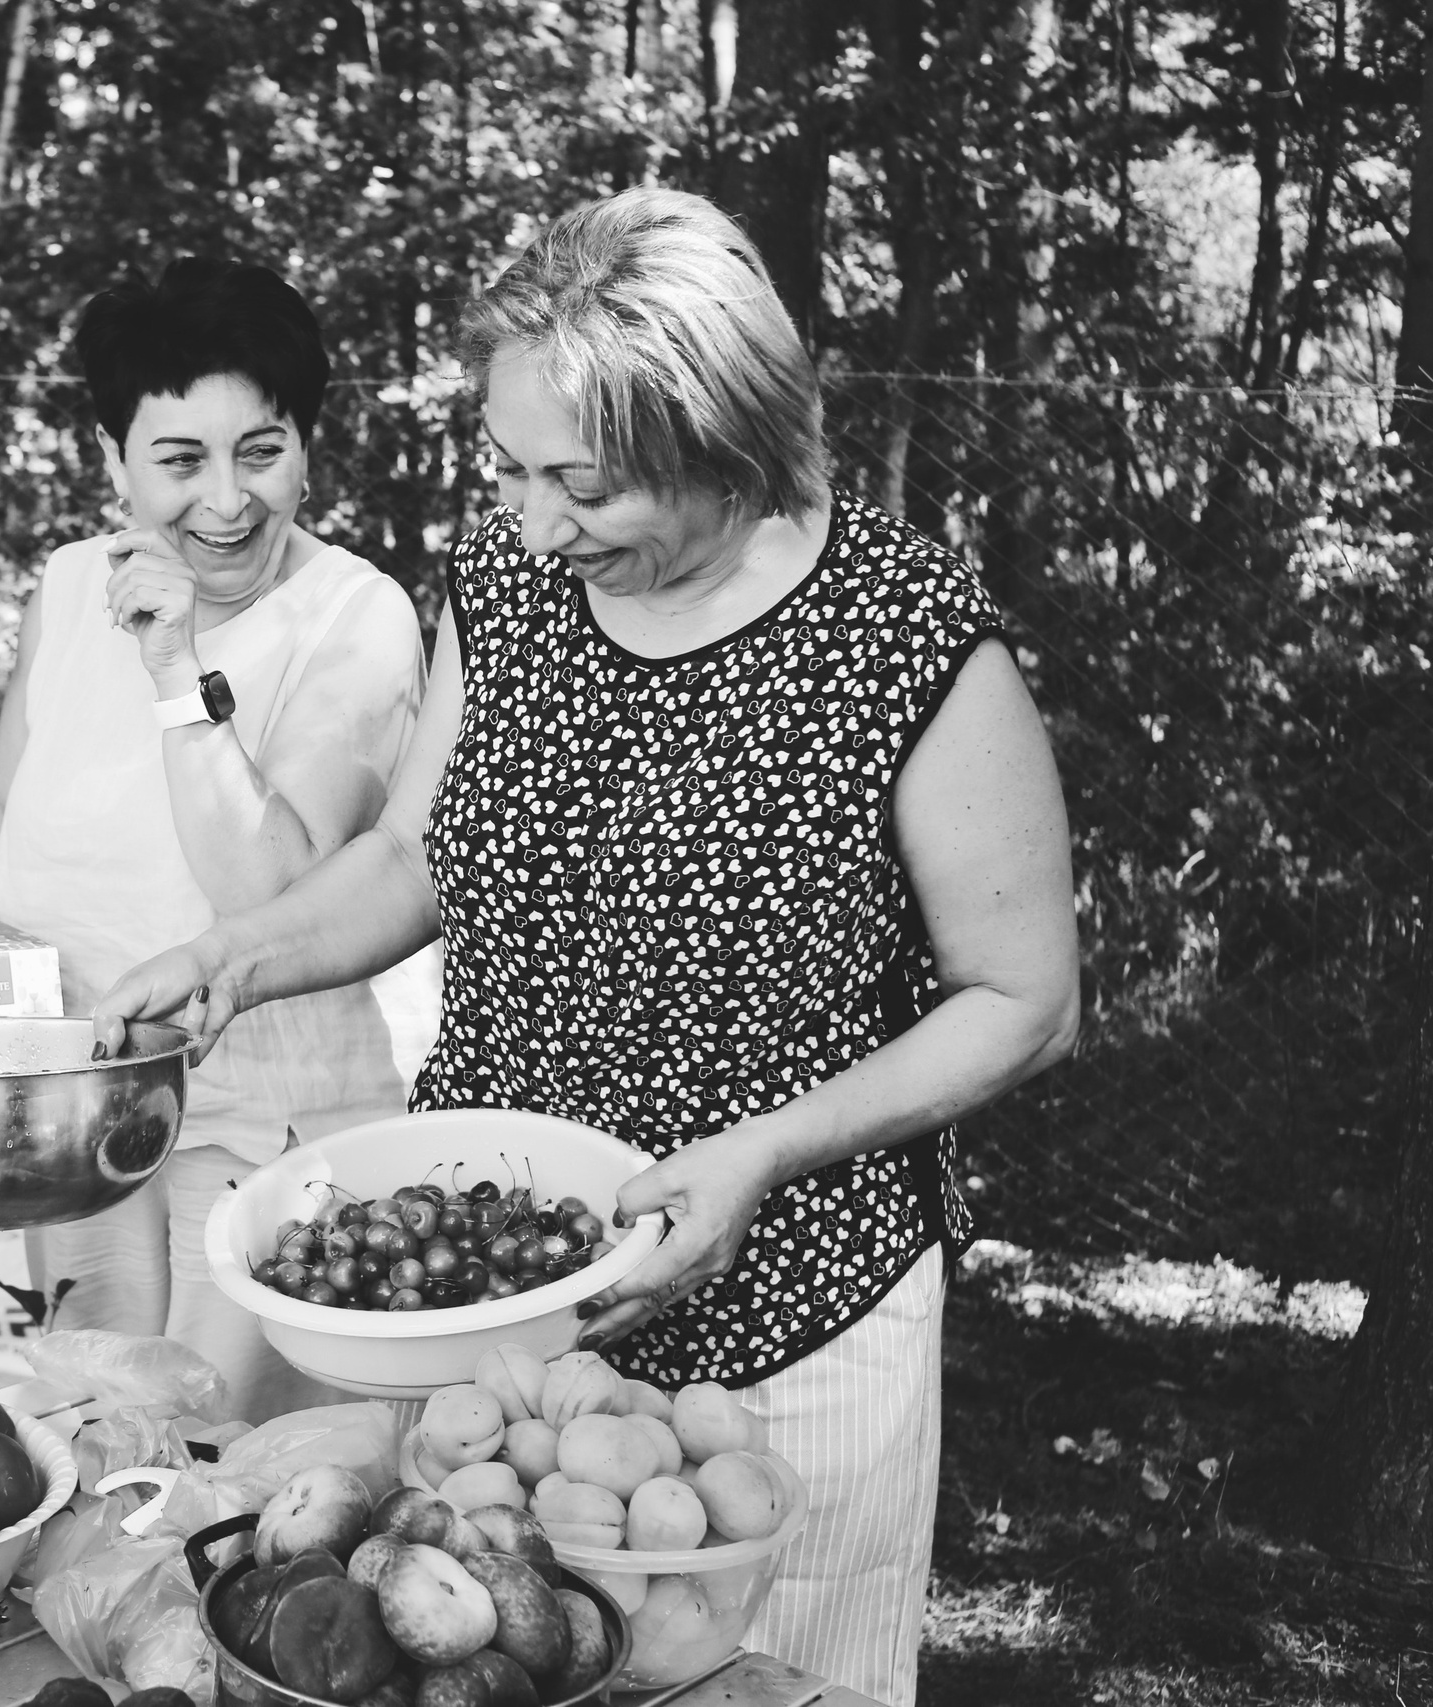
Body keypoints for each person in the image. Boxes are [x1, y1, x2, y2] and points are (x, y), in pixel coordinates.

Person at [93, 189, 1078, 1706]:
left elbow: (1024, 999)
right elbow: (419, 856)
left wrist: (757, 1150)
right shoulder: (508, 588)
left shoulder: (905, 631)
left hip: (790, 1319)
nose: (539, 522)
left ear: (729, 441)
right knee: (490, 1658)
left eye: (589, 485)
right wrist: (245, 951)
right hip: (503, 1323)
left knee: (758, 1676)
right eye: (513, 467)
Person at [0, 257, 430, 1423]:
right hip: (75, 1107)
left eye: (261, 450)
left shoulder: (358, 616)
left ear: (308, 445)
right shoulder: (67, 583)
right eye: (179, 460)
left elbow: (277, 885)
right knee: (94, 1451)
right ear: (112, 462)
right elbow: (1, 797)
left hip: (255, 1138)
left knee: (222, 1482)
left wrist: (174, 670)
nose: (227, 500)